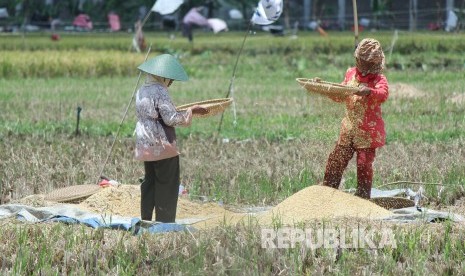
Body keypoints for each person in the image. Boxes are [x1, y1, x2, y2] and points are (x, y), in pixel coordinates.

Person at [135, 54, 207, 222]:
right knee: (167, 182)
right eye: (170, 79)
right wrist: (192, 111)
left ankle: (145, 218)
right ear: (162, 76)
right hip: (161, 143)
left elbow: (155, 113)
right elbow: (170, 119)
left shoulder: (142, 90)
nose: (171, 82)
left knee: (150, 181)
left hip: (145, 143)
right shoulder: (160, 90)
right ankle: (165, 222)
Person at [322, 38, 389, 199]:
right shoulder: (351, 73)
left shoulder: (379, 80)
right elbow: (342, 94)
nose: (366, 67)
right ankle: (326, 192)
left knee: (364, 164)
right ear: (358, 60)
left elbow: (383, 94)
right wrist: (327, 90)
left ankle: (363, 197)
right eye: (364, 62)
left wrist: (368, 91)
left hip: (367, 132)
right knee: (337, 159)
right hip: (349, 129)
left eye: (370, 63)